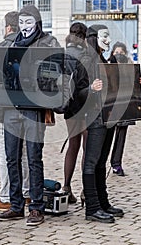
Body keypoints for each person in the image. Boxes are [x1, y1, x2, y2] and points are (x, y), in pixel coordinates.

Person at [0, 5, 60, 225]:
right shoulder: (11, 43)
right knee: (11, 157)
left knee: (34, 158)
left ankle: (36, 207)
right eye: (21, 23)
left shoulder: (48, 42)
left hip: (34, 109)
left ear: (38, 23)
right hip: (12, 109)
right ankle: (15, 205)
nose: (24, 27)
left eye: (29, 22)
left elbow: (60, 68)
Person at [75, 24, 124, 223]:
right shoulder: (86, 59)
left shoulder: (105, 59)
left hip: (108, 115)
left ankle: (103, 203)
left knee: (101, 162)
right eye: (104, 36)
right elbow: (76, 93)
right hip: (94, 116)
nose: (108, 40)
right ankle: (92, 208)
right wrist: (91, 89)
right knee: (91, 162)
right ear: (94, 38)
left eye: (109, 36)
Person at [0, 11, 30, 211]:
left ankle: (6, 196)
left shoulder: (0, 48)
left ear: (9, 27)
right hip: (27, 111)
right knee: (25, 154)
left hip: (3, 112)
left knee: (6, 155)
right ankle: (26, 193)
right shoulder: (30, 47)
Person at [62, 22, 88, 204]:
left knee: (73, 145)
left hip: (69, 106)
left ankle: (66, 186)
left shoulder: (63, 55)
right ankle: (86, 190)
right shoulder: (86, 55)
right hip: (85, 105)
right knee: (88, 148)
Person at [108, 41, 141, 176]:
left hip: (125, 104)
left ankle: (116, 163)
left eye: (121, 52)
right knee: (107, 136)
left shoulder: (129, 66)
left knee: (121, 135)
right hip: (110, 105)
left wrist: (138, 83)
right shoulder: (108, 65)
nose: (119, 55)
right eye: (116, 52)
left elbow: (134, 86)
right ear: (112, 53)